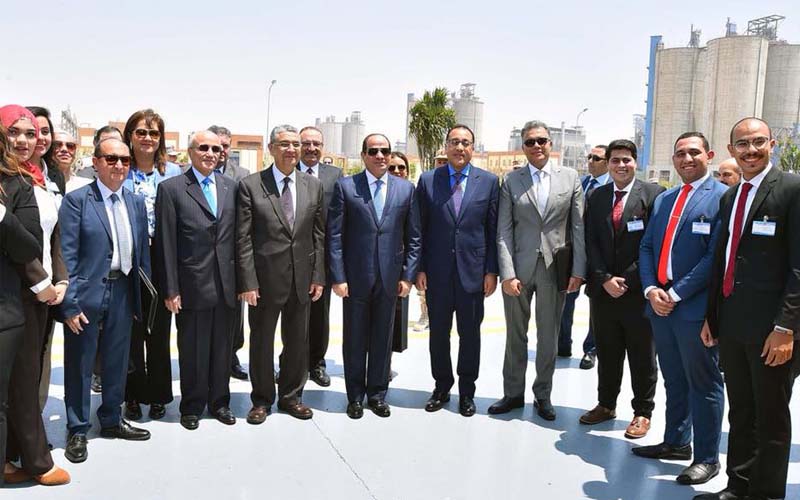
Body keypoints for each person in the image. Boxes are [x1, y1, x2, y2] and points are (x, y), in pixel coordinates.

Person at [696, 117, 800, 500]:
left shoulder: (792, 190)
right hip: (733, 324)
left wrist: (786, 327)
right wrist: (712, 317)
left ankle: (767, 494)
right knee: (741, 411)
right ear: (731, 150)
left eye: (758, 142)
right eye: (742, 144)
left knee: (771, 416)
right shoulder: (731, 196)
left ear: (772, 144)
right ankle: (738, 487)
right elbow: (723, 260)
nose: (750, 150)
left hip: (773, 330)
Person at [634, 132, 727, 486]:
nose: (686, 159)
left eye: (693, 152)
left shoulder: (722, 197)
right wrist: (651, 289)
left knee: (704, 383)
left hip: (694, 309)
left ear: (709, 155)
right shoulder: (665, 198)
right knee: (673, 378)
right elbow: (647, 247)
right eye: (680, 153)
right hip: (660, 306)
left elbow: (713, 258)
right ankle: (675, 441)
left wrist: (675, 294)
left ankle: (706, 459)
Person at [59, 137, 151, 464]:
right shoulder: (77, 201)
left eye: (125, 160)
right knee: (80, 364)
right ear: (96, 162)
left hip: (124, 290)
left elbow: (142, 256)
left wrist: (143, 299)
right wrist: (69, 304)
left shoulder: (135, 203)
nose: (119, 165)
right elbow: (67, 255)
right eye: (111, 159)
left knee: (117, 361)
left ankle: (112, 418)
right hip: (87, 294)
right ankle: (77, 428)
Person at [490, 120, 585, 421]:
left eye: (541, 140)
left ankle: (543, 395)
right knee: (515, 335)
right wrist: (507, 273)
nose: (536, 146)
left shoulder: (570, 178)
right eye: (530, 142)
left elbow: (578, 227)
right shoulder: (512, 180)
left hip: (554, 270)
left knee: (548, 336)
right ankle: (512, 393)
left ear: (550, 143)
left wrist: (578, 270)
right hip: (519, 269)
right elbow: (504, 230)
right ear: (523, 147)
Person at [328, 133, 420, 419]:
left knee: (383, 338)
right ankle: (355, 397)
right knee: (355, 339)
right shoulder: (346, 187)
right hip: (355, 279)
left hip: (390, 278)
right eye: (373, 151)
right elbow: (335, 236)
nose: (380, 156)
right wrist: (338, 277)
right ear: (363, 155)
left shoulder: (406, 189)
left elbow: (414, 236)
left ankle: (378, 395)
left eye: (385, 151)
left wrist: (408, 276)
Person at [0, 105, 69, 485]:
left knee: (26, 379)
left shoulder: (38, 179)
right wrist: (41, 285)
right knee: (24, 383)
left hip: (43, 293)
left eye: (32, 133)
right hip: (19, 294)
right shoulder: (7, 181)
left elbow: (51, 235)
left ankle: (12, 454)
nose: (25, 140)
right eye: (15, 132)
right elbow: (16, 244)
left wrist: (61, 281)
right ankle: (37, 461)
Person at [237, 125, 325, 424]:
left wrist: (318, 275)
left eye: (296, 144)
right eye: (284, 144)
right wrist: (248, 281)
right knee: (262, 341)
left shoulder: (313, 186)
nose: (292, 149)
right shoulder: (251, 185)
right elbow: (243, 238)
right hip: (264, 281)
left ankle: (291, 397)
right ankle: (261, 400)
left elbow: (318, 235)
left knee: (297, 341)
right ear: (271, 148)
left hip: (302, 278)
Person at [578, 139, 663, 440]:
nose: (621, 165)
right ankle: (606, 404)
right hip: (604, 293)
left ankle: (642, 412)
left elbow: (653, 244)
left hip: (638, 292)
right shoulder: (597, 196)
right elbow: (590, 242)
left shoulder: (653, 195)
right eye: (615, 160)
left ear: (635, 162)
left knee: (642, 356)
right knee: (608, 351)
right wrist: (604, 278)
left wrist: (625, 279)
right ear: (608, 164)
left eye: (626, 160)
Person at [155, 130, 238, 431]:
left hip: (227, 285)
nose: (210, 154)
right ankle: (191, 405)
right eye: (203, 147)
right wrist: (171, 289)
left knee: (222, 349)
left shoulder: (231, 187)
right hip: (191, 284)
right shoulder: (172, 189)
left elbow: (238, 237)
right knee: (192, 349)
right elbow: (166, 242)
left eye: (216, 149)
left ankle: (220, 402)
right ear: (190, 152)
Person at [415, 125, 499, 417]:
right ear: (446, 146)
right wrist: (420, 268)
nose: (460, 148)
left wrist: (491, 271)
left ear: (472, 148)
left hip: (473, 275)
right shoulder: (428, 180)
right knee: (438, 334)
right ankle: (441, 387)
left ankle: (466, 392)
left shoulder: (489, 182)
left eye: (465, 143)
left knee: (470, 335)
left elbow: (492, 230)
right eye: (454, 142)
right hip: (437, 273)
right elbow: (420, 229)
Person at [121, 109, 182, 422]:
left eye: (154, 133)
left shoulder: (172, 172)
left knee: (158, 333)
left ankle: (158, 395)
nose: (147, 138)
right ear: (130, 136)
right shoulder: (119, 168)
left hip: (161, 257)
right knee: (130, 333)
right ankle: (132, 396)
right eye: (141, 132)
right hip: (127, 259)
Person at [297, 126, 343, 387]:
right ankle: (292, 363)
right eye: (306, 143)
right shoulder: (288, 171)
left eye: (316, 144)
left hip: (322, 257)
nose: (311, 148)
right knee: (293, 314)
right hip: (291, 257)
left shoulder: (335, 175)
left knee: (320, 315)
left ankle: (316, 363)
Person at [559, 145, 610, 370]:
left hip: (600, 255)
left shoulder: (613, 187)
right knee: (565, 299)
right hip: (575, 253)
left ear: (607, 162)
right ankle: (562, 343)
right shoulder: (579, 183)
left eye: (596, 158)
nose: (590, 161)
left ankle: (591, 349)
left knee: (596, 306)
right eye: (589, 157)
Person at [388, 152, 411, 370]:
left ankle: (385, 364)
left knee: (395, 319)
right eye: (392, 167)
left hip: (403, 267)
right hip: (379, 266)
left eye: (401, 167)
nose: (396, 171)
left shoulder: (412, 193)